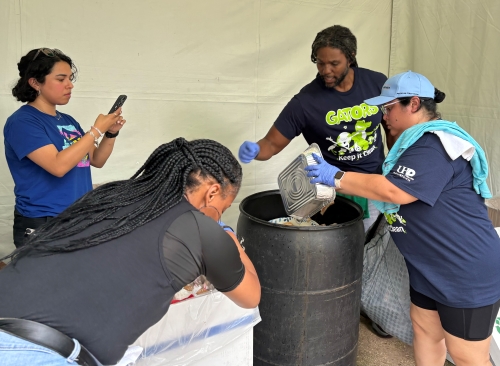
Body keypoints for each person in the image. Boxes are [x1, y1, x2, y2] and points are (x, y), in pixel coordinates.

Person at [0, 137, 261, 366]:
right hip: (35, 354)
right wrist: (223, 231)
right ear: (213, 191)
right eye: (222, 208)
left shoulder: (109, 194)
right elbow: (251, 296)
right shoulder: (201, 228)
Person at [305, 70, 500, 366]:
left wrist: (336, 177)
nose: (383, 115)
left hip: (463, 269)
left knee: (467, 356)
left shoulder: (437, 144)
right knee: (425, 332)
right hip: (428, 266)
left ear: (414, 104)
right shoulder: (412, 145)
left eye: (389, 107)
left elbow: (394, 192)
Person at [238, 25, 390, 231]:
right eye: (320, 63)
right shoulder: (305, 102)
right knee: (339, 248)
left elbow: (392, 127)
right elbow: (271, 143)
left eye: (334, 63)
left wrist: (396, 165)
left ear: (351, 57)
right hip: (331, 191)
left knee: (370, 246)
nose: (326, 70)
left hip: (374, 183)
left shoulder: (376, 83)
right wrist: (256, 149)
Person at [4, 48, 126, 248]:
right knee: (43, 279)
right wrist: (96, 131)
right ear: (35, 82)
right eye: (61, 79)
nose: (70, 85)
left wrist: (110, 133)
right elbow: (57, 166)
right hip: (43, 222)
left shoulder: (68, 121)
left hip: (77, 216)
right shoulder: (22, 122)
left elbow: (96, 160)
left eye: (70, 78)